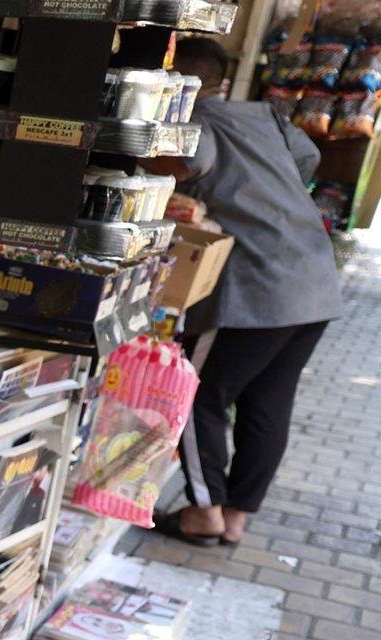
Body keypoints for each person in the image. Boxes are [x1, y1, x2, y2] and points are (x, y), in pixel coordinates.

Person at [153, 38, 342, 548]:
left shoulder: (192, 122)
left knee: (195, 393)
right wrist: (267, 196)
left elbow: (192, 161)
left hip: (258, 290)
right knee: (268, 402)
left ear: (173, 80)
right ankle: (234, 519)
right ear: (222, 80)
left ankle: (204, 513)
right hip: (314, 281)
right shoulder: (265, 116)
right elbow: (308, 155)